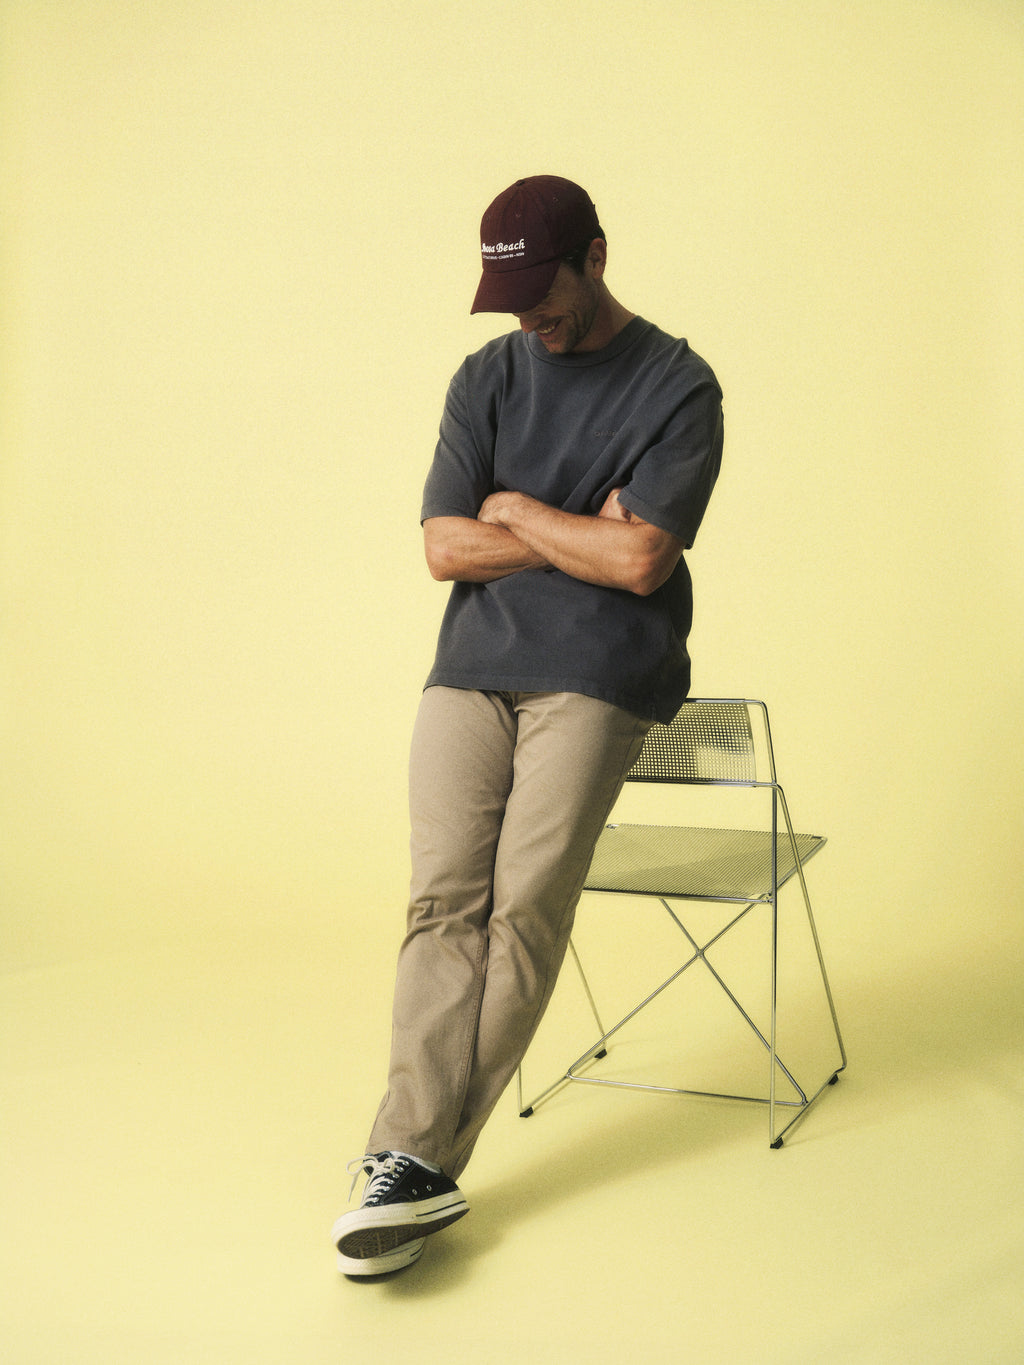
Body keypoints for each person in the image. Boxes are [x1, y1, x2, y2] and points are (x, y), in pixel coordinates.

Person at [331, 175, 724, 1276]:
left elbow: (643, 559)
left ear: (594, 256)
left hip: (597, 678)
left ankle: (402, 1163)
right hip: (471, 670)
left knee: (524, 912)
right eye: (505, 298)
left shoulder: (677, 384)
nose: (525, 319)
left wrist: (512, 509)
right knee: (441, 903)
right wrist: (567, 531)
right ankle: (411, 1172)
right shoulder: (486, 377)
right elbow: (442, 549)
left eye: (538, 292)